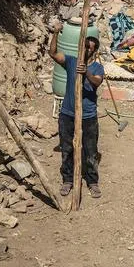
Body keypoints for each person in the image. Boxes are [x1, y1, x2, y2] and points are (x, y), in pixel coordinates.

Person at [48, 26, 105, 198]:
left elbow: (97, 82)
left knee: (90, 149)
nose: (86, 49)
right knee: (67, 148)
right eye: (84, 45)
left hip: (88, 115)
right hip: (67, 113)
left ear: (94, 51)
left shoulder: (97, 68)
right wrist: (56, 32)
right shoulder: (71, 61)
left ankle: (92, 181)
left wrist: (86, 72)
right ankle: (68, 180)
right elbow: (53, 53)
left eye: (89, 47)